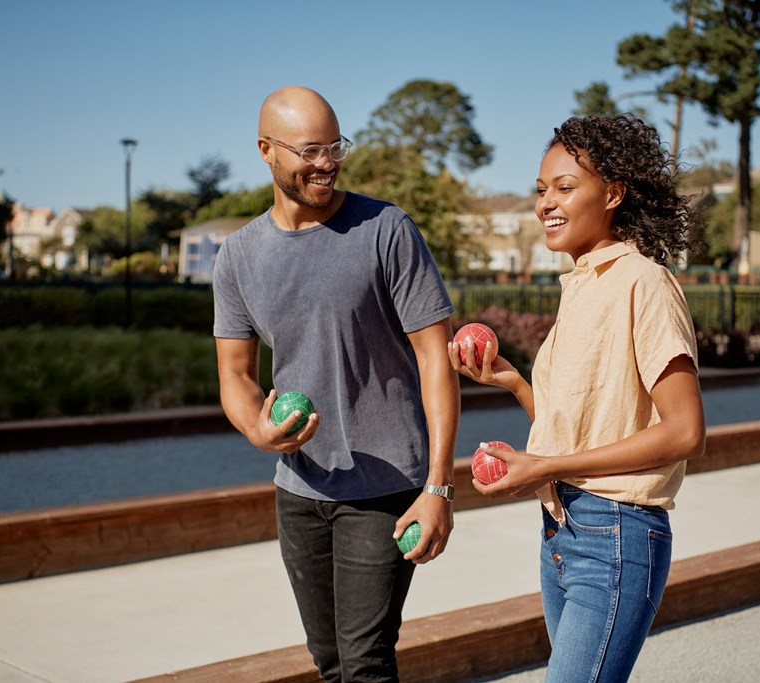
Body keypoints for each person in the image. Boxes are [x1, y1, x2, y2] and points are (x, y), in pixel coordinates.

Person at [212, 86, 460, 683]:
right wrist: (259, 429)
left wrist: (440, 489)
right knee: (329, 663)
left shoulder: (386, 229)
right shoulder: (239, 256)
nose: (327, 163)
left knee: (366, 665)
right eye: (310, 150)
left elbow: (435, 359)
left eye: (335, 146)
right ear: (267, 151)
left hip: (386, 489)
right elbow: (236, 375)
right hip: (299, 491)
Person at [450, 114, 706, 683]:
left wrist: (548, 465)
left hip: (616, 533)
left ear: (612, 194)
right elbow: (581, 428)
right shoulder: (582, 286)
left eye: (565, 187)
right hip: (561, 531)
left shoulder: (643, 281)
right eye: (542, 190)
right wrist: (514, 382)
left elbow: (686, 432)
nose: (547, 203)